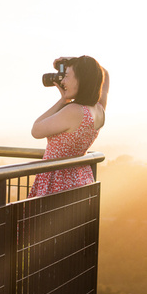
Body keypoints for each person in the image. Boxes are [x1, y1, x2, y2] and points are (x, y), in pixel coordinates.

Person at [28, 56, 109, 197]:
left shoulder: (74, 111)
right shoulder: (99, 109)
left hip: (57, 183)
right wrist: (76, 61)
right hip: (80, 180)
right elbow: (104, 75)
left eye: (66, 76)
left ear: (82, 79)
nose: (62, 81)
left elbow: (36, 130)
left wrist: (63, 100)